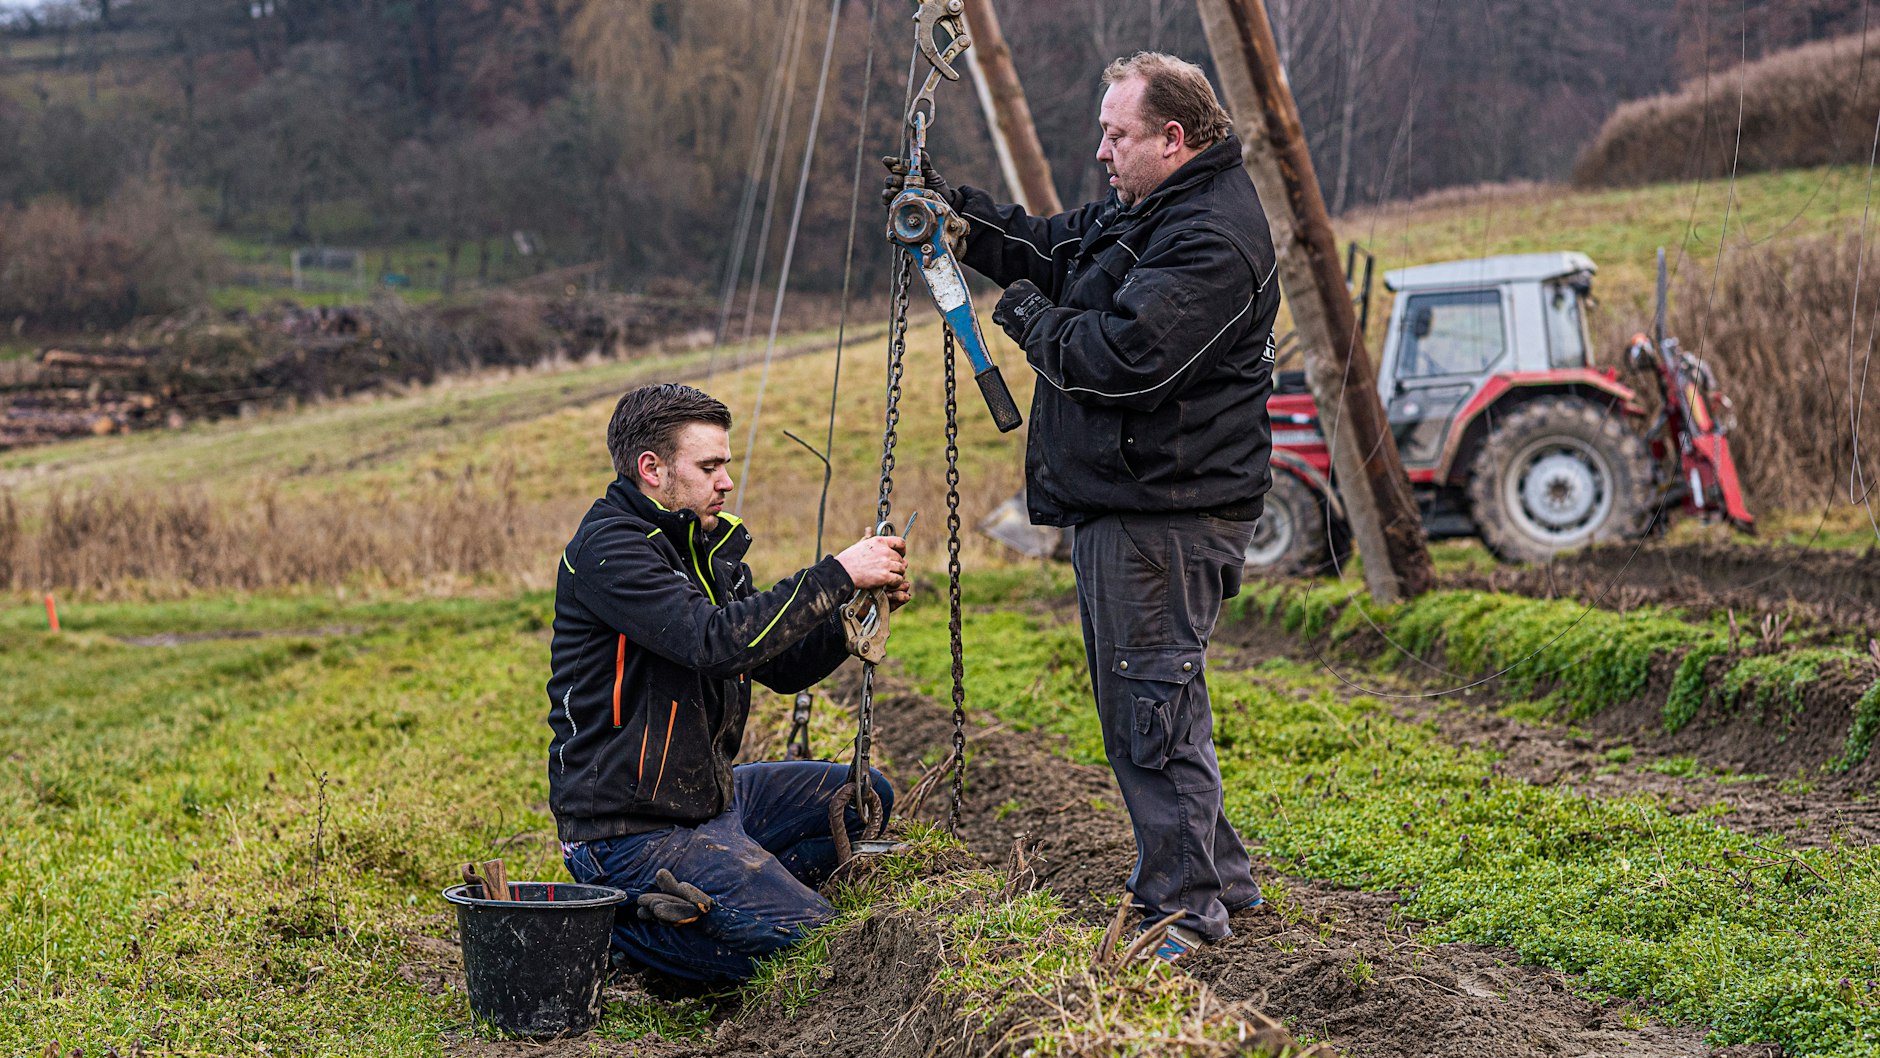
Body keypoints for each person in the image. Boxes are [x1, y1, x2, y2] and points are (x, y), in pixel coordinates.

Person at [896, 52, 1280, 964]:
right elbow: (1056, 248)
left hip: (1166, 516)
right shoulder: (1153, 212)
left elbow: (1122, 360)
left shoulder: (1210, 238)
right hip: (1135, 506)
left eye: (1117, 134)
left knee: (1149, 708)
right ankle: (1217, 878)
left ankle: (1182, 908)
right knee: (1158, 701)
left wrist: (1025, 318)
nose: (1101, 150)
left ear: (1172, 139)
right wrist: (961, 215)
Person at [546, 382, 911, 983]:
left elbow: (778, 667)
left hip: (709, 801)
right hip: (628, 829)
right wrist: (837, 572)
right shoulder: (610, 551)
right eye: (710, 466)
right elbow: (714, 641)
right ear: (652, 469)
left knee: (864, 798)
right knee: (814, 942)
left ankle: (730, 892)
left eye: (726, 466)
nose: (726, 482)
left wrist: (854, 620)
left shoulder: (704, 550)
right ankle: (626, 928)